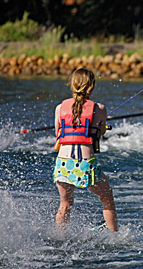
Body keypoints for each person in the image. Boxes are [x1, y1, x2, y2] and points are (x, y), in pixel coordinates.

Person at [53, 68, 118, 231]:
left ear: (72, 85)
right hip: (84, 164)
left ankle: (59, 238)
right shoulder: (100, 108)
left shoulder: (60, 108)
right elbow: (100, 133)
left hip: (63, 163)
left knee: (65, 204)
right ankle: (115, 236)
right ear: (92, 87)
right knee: (107, 198)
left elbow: (58, 133)